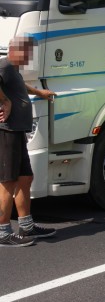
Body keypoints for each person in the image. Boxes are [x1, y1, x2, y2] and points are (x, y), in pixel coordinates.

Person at [0, 36, 57, 247]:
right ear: (17, 50)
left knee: (25, 178)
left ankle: (26, 226)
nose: (30, 57)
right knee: (8, 181)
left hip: (18, 131)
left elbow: (18, 85)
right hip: (7, 131)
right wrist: (4, 101)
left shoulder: (13, 69)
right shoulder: (4, 65)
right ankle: (3, 232)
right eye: (28, 52)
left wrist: (38, 92)